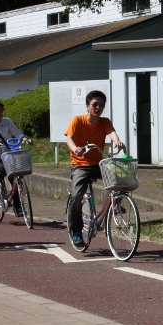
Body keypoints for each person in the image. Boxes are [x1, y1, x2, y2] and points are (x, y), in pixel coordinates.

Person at [65, 90, 125, 247]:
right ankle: (76, 231)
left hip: (98, 163)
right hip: (80, 165)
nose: (98, 107)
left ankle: (116, 203)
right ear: (87, 106)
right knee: (77, 196)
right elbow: (69, 138)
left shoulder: (105, 122)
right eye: (94, 104)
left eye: (101, 105)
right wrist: (75, 148)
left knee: (120, 178)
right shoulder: (78, 120)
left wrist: (117, 141)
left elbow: (111, 132)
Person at [0, 100, 32, 216]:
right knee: (2, 169)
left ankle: (18, 207)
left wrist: (25, 139)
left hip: (7, 155)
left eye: (0, 111)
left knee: (16, 175)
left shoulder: (7, 122)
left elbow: (17, 133)